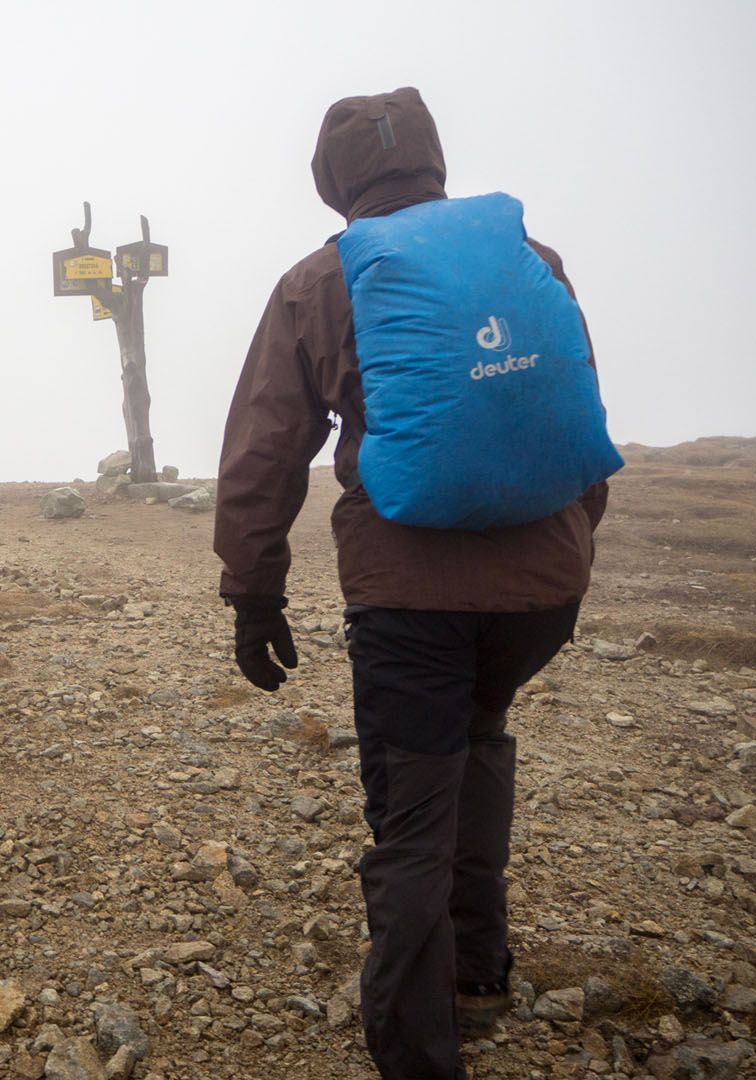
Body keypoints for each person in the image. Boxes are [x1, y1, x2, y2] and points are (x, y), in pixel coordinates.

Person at [212, 87, 609, 1080]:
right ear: (432, 161)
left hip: (409, 601)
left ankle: (416, 1051)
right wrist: (563, 552)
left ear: (334, 182)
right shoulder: (529, 261)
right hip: (544, 591)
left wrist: (254, 592)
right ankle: (478, 970)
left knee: (413, 813)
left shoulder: (321, 280)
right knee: (479, 740)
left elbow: (266, 450)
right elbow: (571, 420)